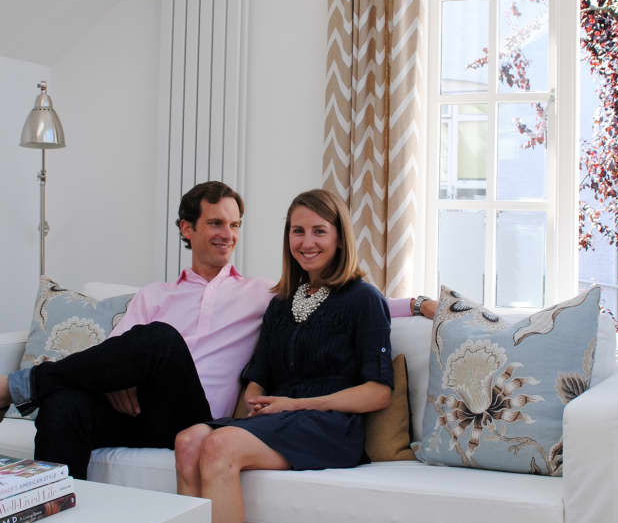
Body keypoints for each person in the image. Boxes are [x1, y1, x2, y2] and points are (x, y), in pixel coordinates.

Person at [0, 181, 436, 478]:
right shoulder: (153, 295)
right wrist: (115, 379)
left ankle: (19, 386)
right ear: (187, 230)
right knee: (64, 405)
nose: (227, 234)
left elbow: (342, 298)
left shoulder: (265, 294)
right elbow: (112, 358)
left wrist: (415, 304)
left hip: (198, 417)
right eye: (215, 224)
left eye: (234, 225)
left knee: (160, 338)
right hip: (141, 414)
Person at [175, 189, 395, 523]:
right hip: (279, 416)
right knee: (191, 440)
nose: (307, 241)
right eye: (298, 231)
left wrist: (296, 404)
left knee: (219, 448)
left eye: (319, 231)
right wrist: (240, 414)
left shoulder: (363, 299)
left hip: (330, 424)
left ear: (339, 238)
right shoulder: (281, 304)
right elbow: (258, 376)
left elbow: (378, 393)